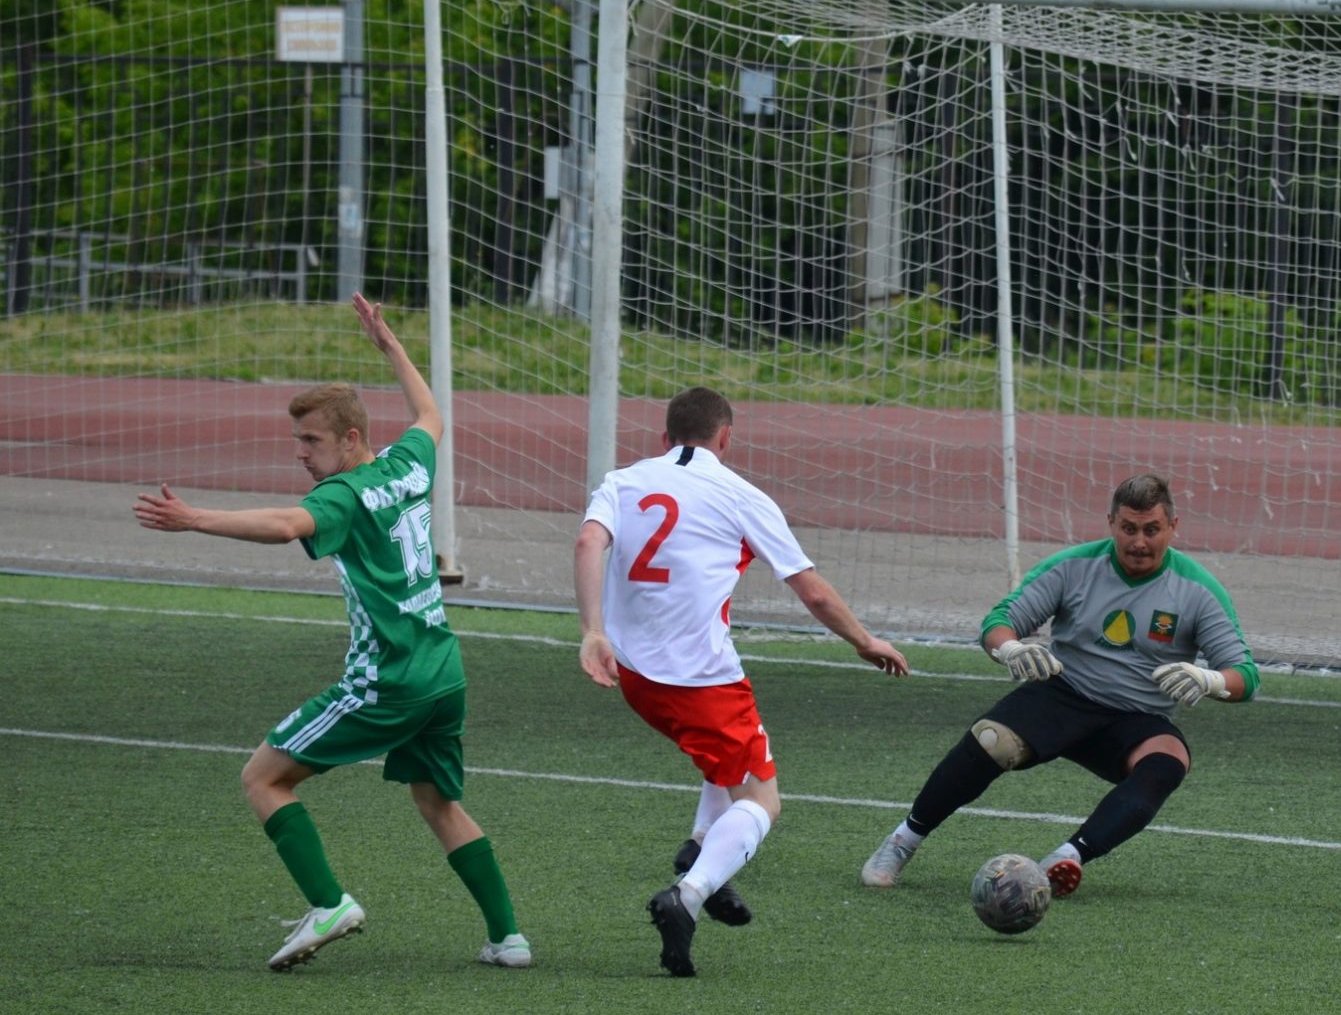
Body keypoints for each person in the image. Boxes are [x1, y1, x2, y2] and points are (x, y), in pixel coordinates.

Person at [132, 293, 530, 972]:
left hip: (391, 680)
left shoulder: (341, 496)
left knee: (263, 778)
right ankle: (508, 938)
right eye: (297, 442)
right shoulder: (407, 464)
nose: (301, 455)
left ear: (351, 440)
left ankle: (330, 904)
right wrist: (391, 346)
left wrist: (195, 518)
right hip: (444, 672)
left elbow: (287, 525)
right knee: (437, 799)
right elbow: (431, 416)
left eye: (311, 441)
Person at [573, 386, 910, 978]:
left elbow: (587, 541)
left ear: (664, 438)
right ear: (725, 438)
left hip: (630, 673)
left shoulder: (623, 479)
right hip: (700, 681)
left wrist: (592, 630)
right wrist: (865, 641)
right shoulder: (740, 494)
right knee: (763, 800)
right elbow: (812, 589)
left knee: (728, 754)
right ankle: (691, 892)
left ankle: (703, 842)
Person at [860, 473, 1259, 898]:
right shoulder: (1073, 567)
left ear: (1173, 528)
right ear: (1110, 523)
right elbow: (1000, 623)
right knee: (990, 740)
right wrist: (1009, 649)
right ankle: (903, 840)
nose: (1139, 542)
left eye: (1151, 530)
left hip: (1137, 717)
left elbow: (1246, 676)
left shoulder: (1198, 590)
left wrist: (1210, 679)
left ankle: (1065, 857)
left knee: (1169, 759)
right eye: (1128, 528)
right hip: (1063, 694)